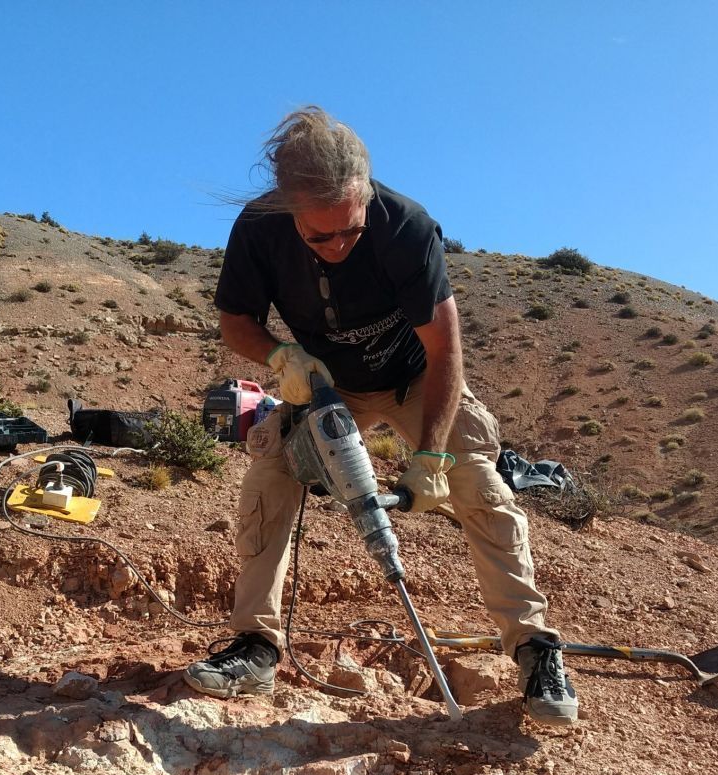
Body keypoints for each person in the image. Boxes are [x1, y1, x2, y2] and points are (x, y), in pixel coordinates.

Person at [182, 106, 577, 727]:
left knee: (478, 482)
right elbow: (236, 321)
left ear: (366, 196)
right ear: (289, 212)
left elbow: (446, 349)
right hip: (327, 384)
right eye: (321, 237)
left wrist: (431, 457)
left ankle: (533, 648)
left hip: (416, 376)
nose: (339, 246)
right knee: (270, 476)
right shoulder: (258, 229)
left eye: (352, 231)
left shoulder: (407, 228)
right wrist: (281, 354)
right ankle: (256, 647)